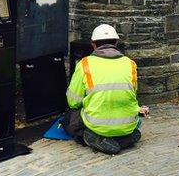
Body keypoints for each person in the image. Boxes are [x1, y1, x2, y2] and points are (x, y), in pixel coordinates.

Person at [63, 24, 150, 154]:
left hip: (97, 126)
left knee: (70, 119)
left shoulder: (85, 64)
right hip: (127, 125)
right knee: (131, 128)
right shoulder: (130, 64)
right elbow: (131, 94)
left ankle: (90, 137)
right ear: (116, 42)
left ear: (93, 44)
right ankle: (124, 139)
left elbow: (73, 101)